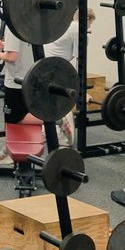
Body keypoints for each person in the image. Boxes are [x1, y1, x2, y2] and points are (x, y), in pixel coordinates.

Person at [44, 8, 96, 146]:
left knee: (50, 99)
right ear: (87, 20)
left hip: (44, 66)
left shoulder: (67, 25)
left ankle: (46, 130)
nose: (90, 27)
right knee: (64, 100)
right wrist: (83, 91)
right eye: (90, 23)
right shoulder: (79, 30)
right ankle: (63, 135)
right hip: (55, 67)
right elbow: (80, 62)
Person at [0, 27, 36, 167]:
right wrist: (4, 46)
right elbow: (22, 48)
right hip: (29, 78)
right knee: (21, 117)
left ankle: (56, 119)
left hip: (15, 82)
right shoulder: (29, 24)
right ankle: (11, 149)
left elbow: (11, 57)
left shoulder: (12, 29)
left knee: (13, 119)